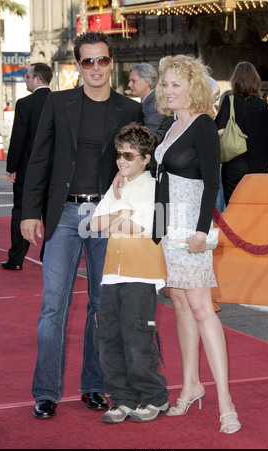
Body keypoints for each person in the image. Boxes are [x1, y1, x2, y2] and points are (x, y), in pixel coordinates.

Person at [20, 31, 143, 419]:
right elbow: (38, 160)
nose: (95, 68)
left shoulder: (129, 109)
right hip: (65, 216)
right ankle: (46, 392)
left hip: (108, 217)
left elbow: (137, 165)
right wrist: (28, 211)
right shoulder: (57, 104)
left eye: (102, 60)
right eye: (87, 61)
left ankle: (94, 385)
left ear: (111, 63)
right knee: (52, 306)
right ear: (77, 65)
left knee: (100, 306)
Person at [153, 54, 241, 434]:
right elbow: (159, 183)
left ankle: (226, 403)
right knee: (181, 306)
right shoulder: (171, 126)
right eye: (166, 84)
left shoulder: (203, 125)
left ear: (193, 88)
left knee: (203, 310)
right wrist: (156, 233)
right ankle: (190, 385)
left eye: (176, 84)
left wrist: (202, 233)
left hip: (191, 231)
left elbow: (211, 182)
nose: (168, 90)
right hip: (167, 232)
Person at [91, 122, 169, 424]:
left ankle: (154, 397)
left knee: (138, 338)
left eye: (129, 155)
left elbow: (147, 228)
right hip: (112, 273)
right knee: (108, 338)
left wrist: (120, 217)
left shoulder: (154, 187)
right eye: (119, 155)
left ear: (146, 158)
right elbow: (95, 225)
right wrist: (121, 214)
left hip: (142, 273)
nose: (122, 161)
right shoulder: (116, 186)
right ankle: (122, 398)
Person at [0, 63, 52, 271]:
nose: (26, 80)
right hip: (54, 170)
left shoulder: (25, 104)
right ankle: (47, 255)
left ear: (37, 79)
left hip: (28, 170)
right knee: (51, 215)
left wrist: (12, 166)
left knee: (21, 211)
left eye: (28, 76)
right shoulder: (61, 102)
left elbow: (19, 137)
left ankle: (16, 258)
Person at [215, 61, 268, 205]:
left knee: (234, 205)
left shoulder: (231, 100)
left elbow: (219, 131)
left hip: (236, 162)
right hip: (260, 166)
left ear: (235, 80)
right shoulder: (263, 104)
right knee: (256, 205)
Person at [128, 63, 173, 142]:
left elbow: (144, 135)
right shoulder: (150, 101)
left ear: (146, 82)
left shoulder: (156, 103)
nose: (129, 84)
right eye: (129, 81)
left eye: (133, 81)